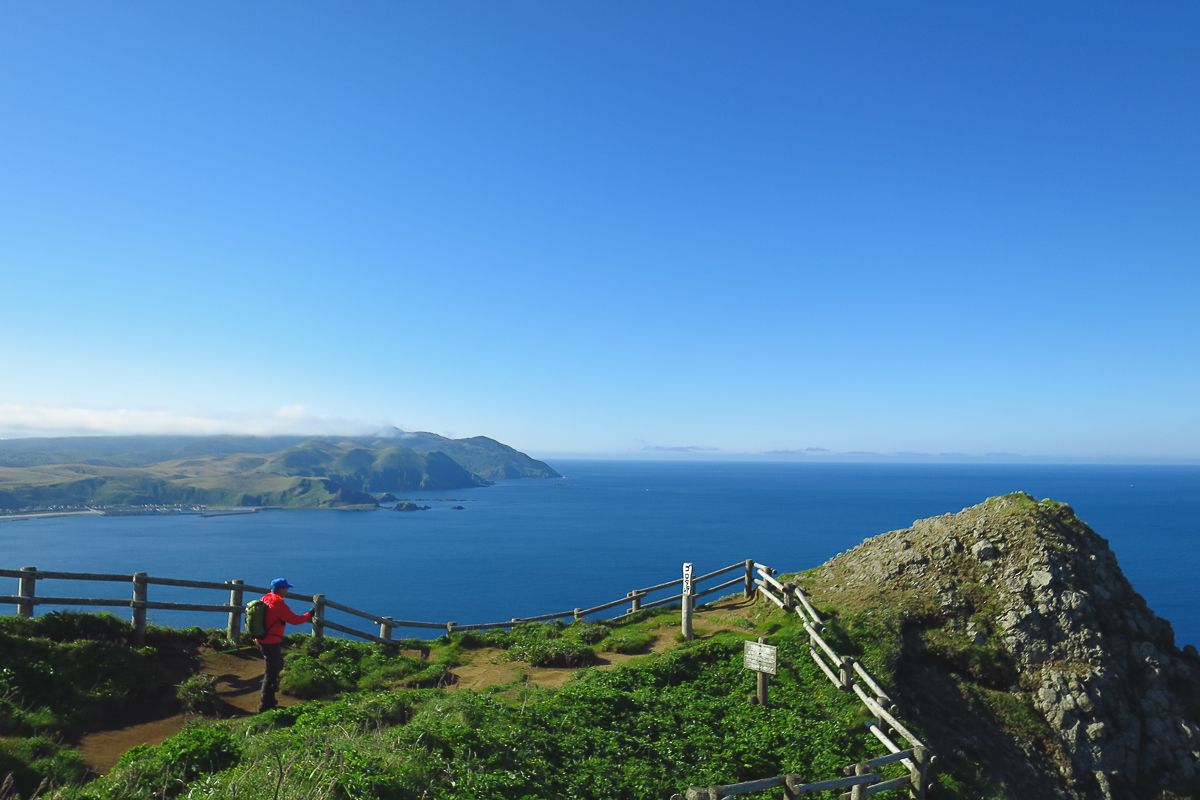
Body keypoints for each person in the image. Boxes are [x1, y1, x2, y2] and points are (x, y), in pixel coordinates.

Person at [254, 577, 314, 712]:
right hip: (271, 641)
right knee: (271, 672)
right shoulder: (278, 603)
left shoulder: (265, 598)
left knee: (277, 665)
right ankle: (266, 704)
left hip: (262, 639)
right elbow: (294, 620)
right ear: (281, 589)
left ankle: (271, 697)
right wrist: (309, 615)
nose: (287, 591)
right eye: (286, 588)